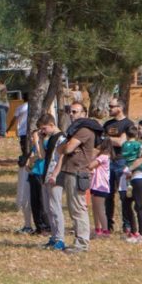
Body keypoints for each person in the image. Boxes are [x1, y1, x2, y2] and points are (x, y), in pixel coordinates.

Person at [51, 101, 94, 253]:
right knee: (73, 209)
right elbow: (61, 149)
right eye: (70, 111)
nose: (71, 114)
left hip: (78, 173)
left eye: (75, 111)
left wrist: (66, 148)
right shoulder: (74, 131)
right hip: (70, 172)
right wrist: (65, 148)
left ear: (84, 113)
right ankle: (79, 241)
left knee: (78, 209)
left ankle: (82, 244)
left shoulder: (84, 130)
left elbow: (66, 148)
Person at [120, 120, 142, 244]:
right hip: (134, 176)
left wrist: (129, 168)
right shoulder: (137, 144)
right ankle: (134, 231)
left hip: (141, 176)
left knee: (139, 205)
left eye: (140, 128)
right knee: (127, 203)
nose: (139, 131)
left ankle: (141, 234)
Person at [37, 113, 67, 251]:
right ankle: (54, 236)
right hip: (46, 174)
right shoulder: (49, 139)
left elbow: (61, 158)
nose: (43, 131)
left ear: (51, 125)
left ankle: (60, 238)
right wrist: (39, 141)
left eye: (44, 129)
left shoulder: (61, 138)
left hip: (55, 176)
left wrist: (55, 175)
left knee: (55, 208)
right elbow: (42, 156)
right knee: (48, 207)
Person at [103, 99, 133, 234]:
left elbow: (121, 143)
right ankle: (108, 224)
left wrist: (107, 139)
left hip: (122, 162)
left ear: (120, 107)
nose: (108, 108)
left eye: (111, 106)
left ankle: (127, 224)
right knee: (108, 195)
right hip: (107, 162)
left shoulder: (128, 124)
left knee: (123, 195)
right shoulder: (107, 124)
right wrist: (111, 140)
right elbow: (101, 142)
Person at [89, 142, 111, 237]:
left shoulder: (103, 156)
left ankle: (105, 230)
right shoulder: (101, 156)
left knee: (100, 208)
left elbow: (90, 165)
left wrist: (93, 154)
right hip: (95, 185)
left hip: (101, 186)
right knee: (95, 207)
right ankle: (97, 228)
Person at [6, 93, 30, 158]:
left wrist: (8, 128)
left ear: (23, 98)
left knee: (24, 149)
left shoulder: (20, 108)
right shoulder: (35, 108)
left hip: (23, 132)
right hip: (32, 131)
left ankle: (25, 160)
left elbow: (14, 120)